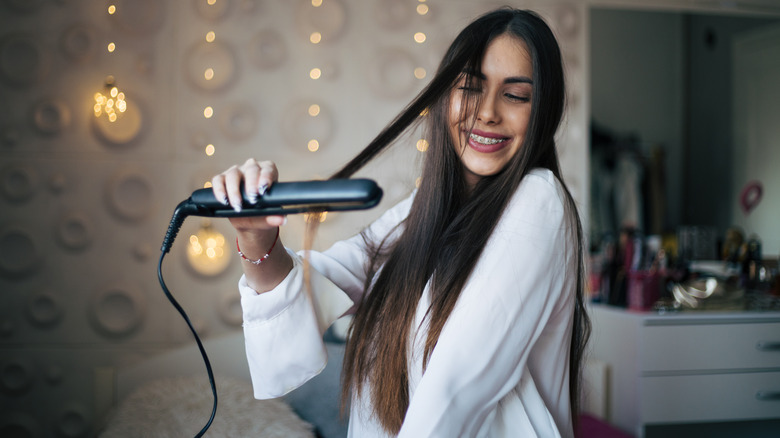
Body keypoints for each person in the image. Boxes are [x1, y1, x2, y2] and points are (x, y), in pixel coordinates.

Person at [210, 8, 589, 437]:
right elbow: (317, 286)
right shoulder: (419, 213)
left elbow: (457, 385)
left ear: (544, 111)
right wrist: (255, 236)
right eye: (469, 87)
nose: (486, 113)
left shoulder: (540, 201)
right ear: (446, 95)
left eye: (516, 96)